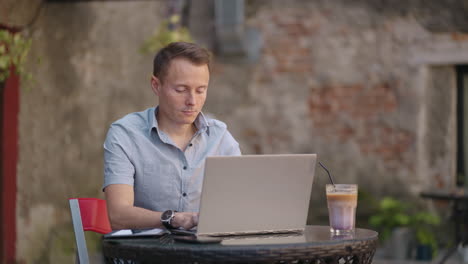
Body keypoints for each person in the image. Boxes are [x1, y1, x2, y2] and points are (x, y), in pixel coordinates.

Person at [103, 42, 241, 231]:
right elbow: (118, 215)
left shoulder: (220, 137)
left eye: (201, 90)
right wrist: (173, 219)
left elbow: (241, 206)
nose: (192, 101)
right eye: (181, 90)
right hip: (146, 253)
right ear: (156, 85)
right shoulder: (126, 134)